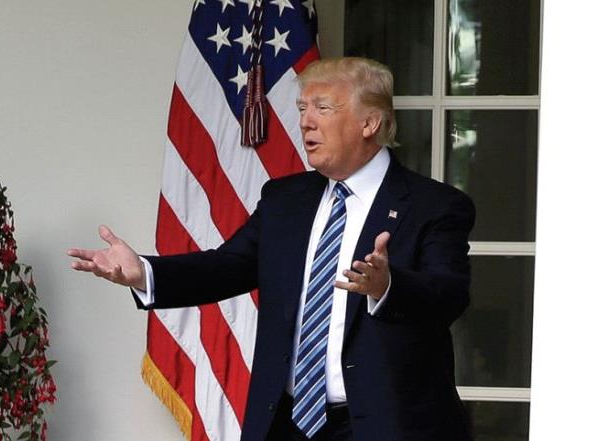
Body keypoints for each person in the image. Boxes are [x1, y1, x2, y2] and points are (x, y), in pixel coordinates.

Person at [69, 57, 475, 441]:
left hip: (390, 425)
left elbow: (448, 296)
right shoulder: (285, 200)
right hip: (287, 422)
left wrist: (387, 287)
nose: (305, 122)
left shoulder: (434, 206)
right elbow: (227, 267)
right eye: (301, 109)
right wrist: (144, 272)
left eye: (322, 107)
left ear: (369, 122)